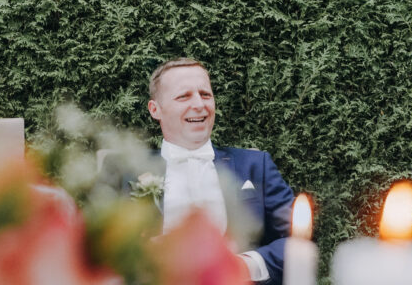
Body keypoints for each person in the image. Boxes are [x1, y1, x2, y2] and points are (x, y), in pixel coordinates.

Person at [104, 58, 294, 285]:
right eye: (184, 96)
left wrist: (244, 265)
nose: (199, 104)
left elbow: (298, 240)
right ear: (155, 109)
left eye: (205, 94)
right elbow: (98, 249)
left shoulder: (255, 165)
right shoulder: (126, 172)